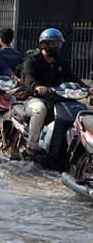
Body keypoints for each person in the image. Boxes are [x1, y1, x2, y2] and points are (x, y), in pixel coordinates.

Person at [22, 28, 93, 170]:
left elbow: (72, 78)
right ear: (44, 44)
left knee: (77, 111)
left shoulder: (61, 62)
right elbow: (27, 77)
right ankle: (31, 148)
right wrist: (36, 86)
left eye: (58, 44)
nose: (56, 46)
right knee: (40, 110)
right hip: (36, 99)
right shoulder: (33, 60)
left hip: (57, 98)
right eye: (53, 43)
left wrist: (87, 88)